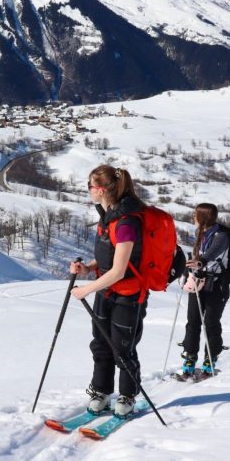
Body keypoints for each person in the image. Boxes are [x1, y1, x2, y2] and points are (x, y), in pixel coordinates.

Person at [69, 164, 146, 418]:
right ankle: (101, 391)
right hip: (106, 291)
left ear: (101, 189)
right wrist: (88, 268)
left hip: (128, 295)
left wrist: (86, 290)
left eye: (90, 186)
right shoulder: (109, 215)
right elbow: (108, 260)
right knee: (101, 344)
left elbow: (120, 270)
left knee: (122, 348)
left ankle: (127, 395)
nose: (89, 190)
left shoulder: (126, 222)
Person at [179, 203, 230, 378]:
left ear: (202, 218)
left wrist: (201, 262)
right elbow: (197, 256)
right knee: (192, 321)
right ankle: (190, 357)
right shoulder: (199, 234)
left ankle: (210, 358)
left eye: (195, 215)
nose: (193, 218)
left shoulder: (221, 236)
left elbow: (213, 253)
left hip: (216, 284)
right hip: (198, 282)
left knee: (211, 322)